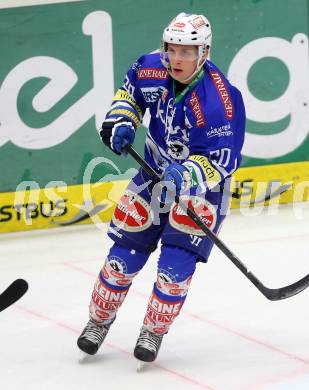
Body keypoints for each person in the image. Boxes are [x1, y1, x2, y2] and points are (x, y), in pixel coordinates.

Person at [77, 12, 246, 364]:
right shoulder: (150, 68)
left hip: (201, 191)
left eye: (187, 52)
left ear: (204, 52)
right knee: (121, 260)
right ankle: (97, 322)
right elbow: (129, 95)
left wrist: (183, 177)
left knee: (174, 270)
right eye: (172, 49)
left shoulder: (219, 102)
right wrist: (121, 120)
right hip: (152, 174)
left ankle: (153, 331)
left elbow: (222, 161)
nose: (177, 59)